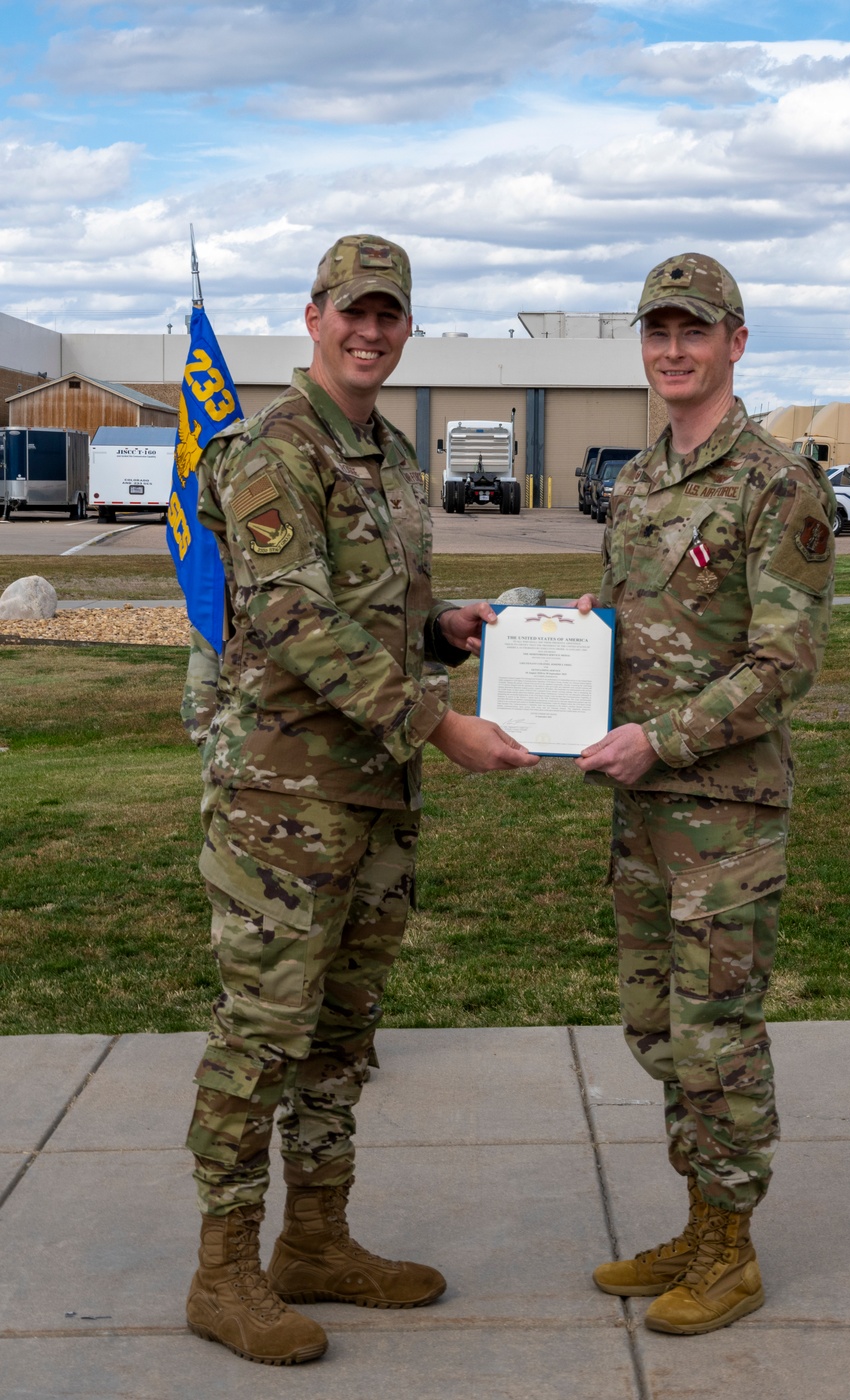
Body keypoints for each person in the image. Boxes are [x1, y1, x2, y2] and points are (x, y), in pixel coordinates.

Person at [183, 233, 537, 1366]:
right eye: (353, 311)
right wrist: (441, 718)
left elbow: (376, 610)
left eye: (389, 314)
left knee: (342, 1034)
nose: (370, 330)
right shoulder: (272, 453)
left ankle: (318, 1239)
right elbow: (293, 619)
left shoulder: (387, 454)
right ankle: (223, 1268)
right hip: (285, 795)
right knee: (265, 1030)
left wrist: (442, 632)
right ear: (312, 315)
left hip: (375, 790)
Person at [575, 253, 835, 1336]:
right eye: (657, 330)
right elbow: (631, 626)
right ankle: (697, 1214)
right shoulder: (637, 483)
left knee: (717, 1033)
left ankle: (730, 1246)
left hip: (722, 815)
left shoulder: (775, 484)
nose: (672, 349)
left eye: (695, 330)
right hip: (643, 813)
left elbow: (785, 663)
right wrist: (550, 643)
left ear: (737, 340)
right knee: (657, 1027)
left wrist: (660, 738)